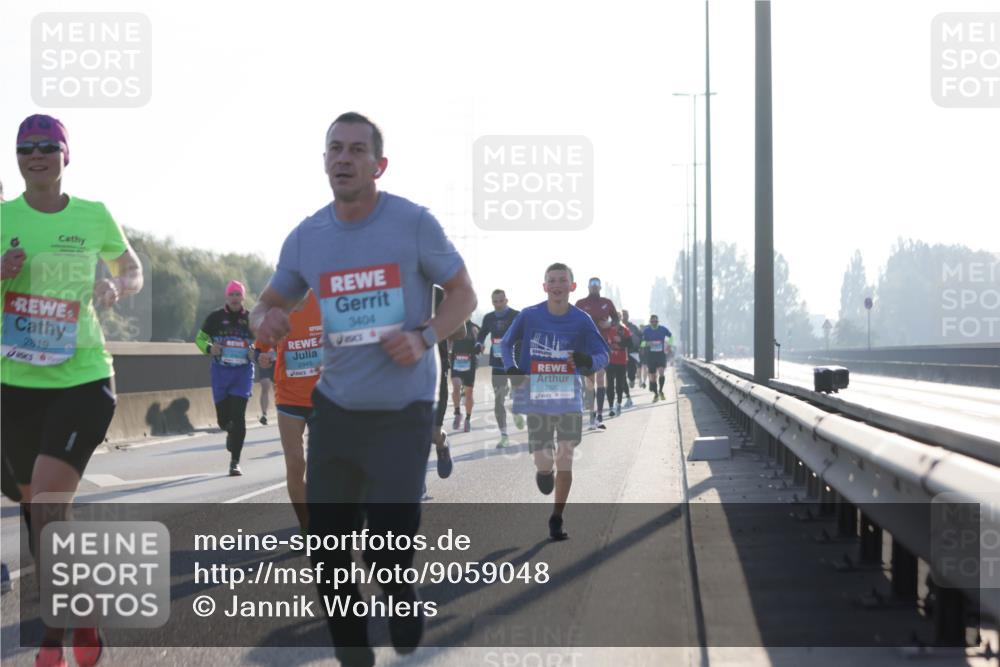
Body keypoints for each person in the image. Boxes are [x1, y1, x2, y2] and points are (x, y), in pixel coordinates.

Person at [251, 112, 476, 667]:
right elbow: (267, 303)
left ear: (380, 164)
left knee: (385, 547)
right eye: (335, 149)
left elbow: (463, 294)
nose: (344, 158)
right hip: (336, 408)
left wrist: (424, 336)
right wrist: (265, 318)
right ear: (324, 160)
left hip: (404, 408)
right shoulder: (307, 237)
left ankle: (400, 593)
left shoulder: (413, 223)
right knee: (327, 550)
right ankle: (354, 656)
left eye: (356, 149)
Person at [2, 113, 144, 667]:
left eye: (47, 146)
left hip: (83, 378)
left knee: (46, 502)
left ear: (66, 155)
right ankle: (83, 612)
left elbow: (132, 269)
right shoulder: (2, 218)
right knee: (41, 515)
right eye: (25, 147)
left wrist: (117, 285)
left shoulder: (93, 214)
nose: (36, 155)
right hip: (15, 385)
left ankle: (50, 639)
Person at [502, 263, 609, 541]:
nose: (557, 285)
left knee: (565, 458)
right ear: (545, 286)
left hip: (569, 400)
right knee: (544, 462)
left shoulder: (582, 320)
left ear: (572, 286)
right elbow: (505, 344)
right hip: (537, 399)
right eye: (552, 280)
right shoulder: (529, 315)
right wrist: (511, 368)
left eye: (563, 280)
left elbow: (603, 354)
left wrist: (588, 361)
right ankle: (544, 471)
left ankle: (557, 517)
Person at [254, 290, 322, 533]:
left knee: (322, 468)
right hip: (289, 397)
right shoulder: (277, 307)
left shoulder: (325, 299)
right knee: (294, 464)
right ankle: (307, 527)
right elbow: (260, 348)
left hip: (324, 397)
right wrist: (261, 357)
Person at [195, 280, 259, 476]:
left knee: (238, 417)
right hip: (220, 373)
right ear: (226, 296)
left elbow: (263, 342)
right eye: (231, 294)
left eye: (238, 294)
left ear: (243, 297)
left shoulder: (251, 319)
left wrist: (255, 352)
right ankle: (230, 430)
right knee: (223, 421)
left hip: (242, 374)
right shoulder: (215, 317)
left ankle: (235, 462)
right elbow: (199, 339)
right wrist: (209, 348)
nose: (234, 298)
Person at [476, 289, 524, 448]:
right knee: (498, 401)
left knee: (518, 396)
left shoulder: (516, 315)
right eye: (495, 302)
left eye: (501, 301)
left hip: (514, 363)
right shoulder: (488, 318)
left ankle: (516, 410)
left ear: (506, 300)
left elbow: (525, 334)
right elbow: (482, 334)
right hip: (497, 363)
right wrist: (479, 343)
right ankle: (504, 436)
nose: (498, 304)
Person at [575, 277, 618, 429]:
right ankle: (592, 415)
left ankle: (599, 415)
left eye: (596, 284)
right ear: (588, 287)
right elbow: (572, 320)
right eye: (592, 284)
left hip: (602, 345)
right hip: (586, 346)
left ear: (600, 287)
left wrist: (610, 324)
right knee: (589, 382)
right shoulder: (580, 303)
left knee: (600, 377)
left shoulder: (607, 302)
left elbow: (616, 319)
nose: (594, 287)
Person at [449, 319, 479, 433]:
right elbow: (448, 343)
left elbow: (481, 347)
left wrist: (478, 343)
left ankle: (468, 419)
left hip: (470, 364)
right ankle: (457, 413)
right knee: (456, 387)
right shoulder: (454, 324)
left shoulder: (474, 327)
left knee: (468, 393)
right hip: (456, 362)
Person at [600, 314, 633, 416]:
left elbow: (631, 344)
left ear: (620, 319)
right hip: (610, 361)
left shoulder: (625, 330)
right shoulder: (607, 329)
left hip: (621, 361)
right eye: (614, 319)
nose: (616, 321)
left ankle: (618, 403)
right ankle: (611, 407)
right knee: (610, 384)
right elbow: (602, 342)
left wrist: (621, 341)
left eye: (618, 319)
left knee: (620, 384)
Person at [642, 314, 674, 402]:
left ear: (658, 322)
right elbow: (642, 343)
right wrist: (648, 343)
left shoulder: (663, 329)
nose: (654, 323)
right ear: (650, 322)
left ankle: (660, 391)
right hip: (651, 355)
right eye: (652, 321)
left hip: (660, 354)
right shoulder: (646, 331)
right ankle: (656, 394)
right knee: (652, 377)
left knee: (661, 372)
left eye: (656, 321)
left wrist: (669, 345)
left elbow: (671, 336)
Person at [621, 309, 641, 390]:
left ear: (628, 316)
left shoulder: (633, 327)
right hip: (620, 351)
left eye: (626, 315)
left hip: (632, 351)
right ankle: (624, 387)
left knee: (631, 369)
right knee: (621, 370)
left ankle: (632, 379)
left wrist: (638, 345)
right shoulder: (617, 326)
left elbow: (640, 337)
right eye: (623, 315)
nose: (624, 317)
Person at [257, 346, 274, 425]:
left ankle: (282, 412)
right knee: (265, 385)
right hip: (263, 359)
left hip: (277, 360)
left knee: (278, 387)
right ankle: (264, 415)